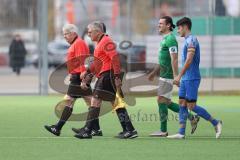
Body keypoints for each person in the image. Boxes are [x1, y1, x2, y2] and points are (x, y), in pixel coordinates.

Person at [73, 21, 138, 139]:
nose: (88, 34)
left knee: (95, 101)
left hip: (108, 75)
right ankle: (129, 130)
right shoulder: (100, 43)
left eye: (90, 32)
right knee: (116, 103)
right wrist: (87, 74)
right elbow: (97, 64)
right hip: (107, 75)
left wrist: (117, 77)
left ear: (98, 32)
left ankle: (88, 130)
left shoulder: (106, 41)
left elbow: (115, 59)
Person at [167, 17, 222, 139]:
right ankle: (181, 133)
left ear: (185, 26)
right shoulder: (187, 40)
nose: (178, 31)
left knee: (191, 106)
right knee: (182, 103)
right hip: (186, 78)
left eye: (179, 28)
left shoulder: (192, 40)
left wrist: (179, 76)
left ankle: (216, 122)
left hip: (192, 78)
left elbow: (189, 59)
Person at [44, 24, 103, 136]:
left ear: (73, 33)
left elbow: (83, 61)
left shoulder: (79, 43)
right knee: (91, 102)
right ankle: (96, 129)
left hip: (78, 78)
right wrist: (72, 73)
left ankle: (57, 128)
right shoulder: (76, 43)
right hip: (76, 77)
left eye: (66, 34)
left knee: (70, 101)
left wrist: (83, 78)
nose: (65, 36)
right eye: (64, 34)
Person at [148, 16, 200, 137]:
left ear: (168, 25)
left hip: (168, 75)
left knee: (161, 100)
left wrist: (176, 76)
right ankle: (192, 118)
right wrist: (154, 72)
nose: (158, 25)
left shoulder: (171, 39)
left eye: (161, 23)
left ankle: (163, 130)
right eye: (158, 23)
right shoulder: (164, 39)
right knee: (166, 101)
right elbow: (162, 60)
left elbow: (174, 59)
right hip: (163, 74)